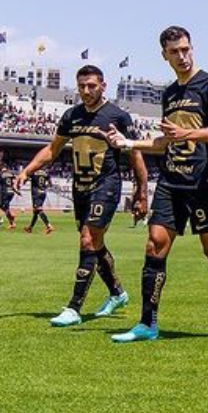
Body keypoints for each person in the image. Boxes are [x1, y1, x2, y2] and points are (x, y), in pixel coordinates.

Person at [106, 26, 208, 343]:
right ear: (165, 55)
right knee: (154, 244)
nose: (183, 56)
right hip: (172, 182)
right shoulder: (170, 93)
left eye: (186, 49)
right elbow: (165, 143)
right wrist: (129, 143)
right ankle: (148, 323)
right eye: (175, 52)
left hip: (205, 182)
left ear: (192, 48)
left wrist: (187, 134)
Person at [15, 65, 149, 327]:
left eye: (91, 86)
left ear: (103, 86)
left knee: (88, 240)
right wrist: (27, 171)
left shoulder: (118, 116)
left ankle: (74, 308)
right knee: (95, 245)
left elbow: (135, 155)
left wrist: (141, 192)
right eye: (82, 87)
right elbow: (52, 150)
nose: (86, 91)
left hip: (106, 185)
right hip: (81, 189)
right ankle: (117, 293)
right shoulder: (71, 116)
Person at [26, 168, 54, 234]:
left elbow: (26, 177)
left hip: (36, 193)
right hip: (43, 193)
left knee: (38, 209)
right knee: (36, 211)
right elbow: (51, 184)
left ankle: (48, 226)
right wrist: (44, 188)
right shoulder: (46, 173)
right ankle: (30, 228)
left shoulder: (33, 172)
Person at [1, 162, 18, 230]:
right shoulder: (11, 174)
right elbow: (12, 183)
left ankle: (11, 215)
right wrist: (16, 191)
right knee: (5, 206)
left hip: (4, 192)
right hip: (11, 192)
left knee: (3, 206)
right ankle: (12, 223)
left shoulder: (1, 174)